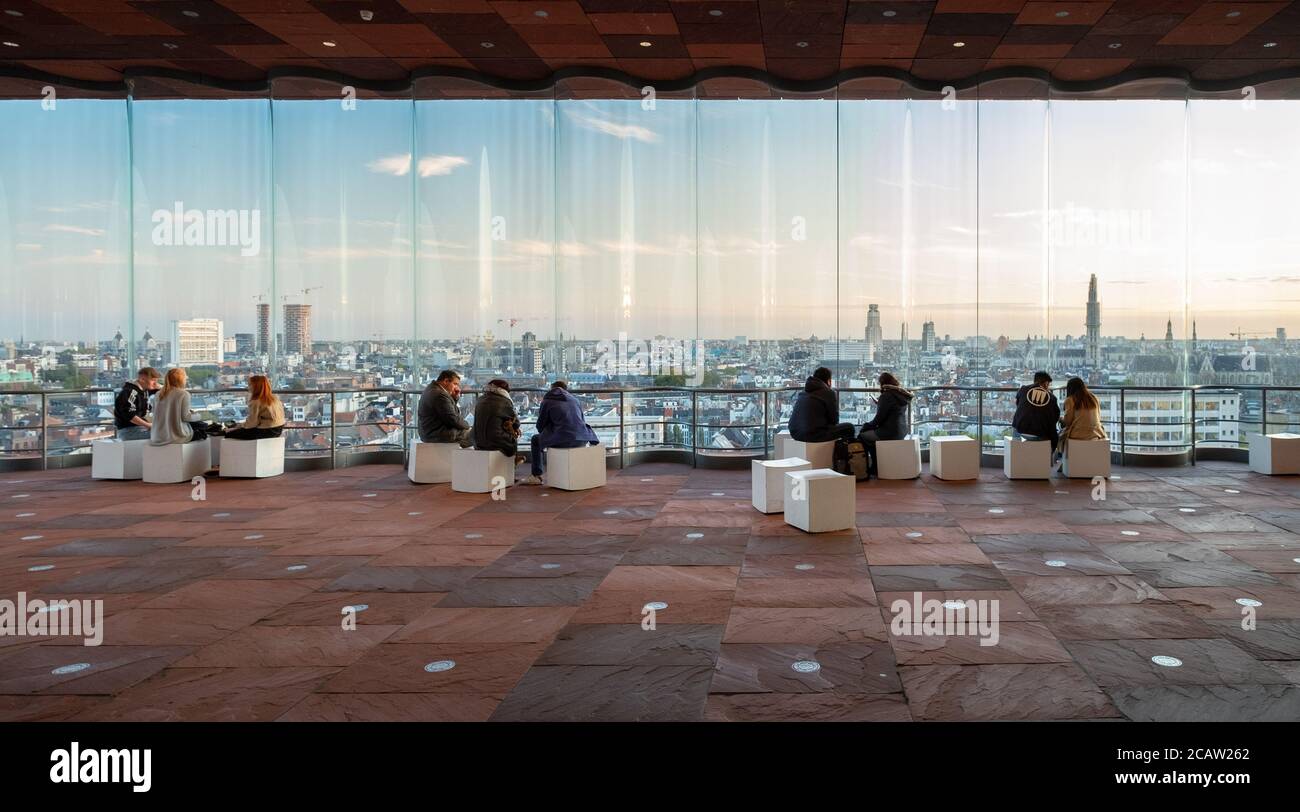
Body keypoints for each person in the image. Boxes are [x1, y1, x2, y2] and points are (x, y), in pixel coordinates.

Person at [520, 381, 599, 486]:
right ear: (566, 390)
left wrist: (548, 430)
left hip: (563, 439)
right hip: (583, 439)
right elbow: (582, 421)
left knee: (535, 440)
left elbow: (540, 425)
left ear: (551, 389)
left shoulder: (547, 401)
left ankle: (536, 475)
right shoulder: (575, 400)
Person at [858, 372, 914, 476]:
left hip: (889, 432)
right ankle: (877, 465)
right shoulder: (900, 395)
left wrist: (866, 426)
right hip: (901, 431)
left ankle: (873, 467)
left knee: (862, 436)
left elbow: (878, 419)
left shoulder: (886, 396)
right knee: (870, 437)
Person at [788, 367, 855, 443]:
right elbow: (834, 420)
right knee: (849, 428)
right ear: (828, 381)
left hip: (795, 432)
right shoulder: (828, 393)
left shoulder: (804, 392)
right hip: (813, 434)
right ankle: (845, 454)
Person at [149, 368, 214, 445]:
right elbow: (186, 417)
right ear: (181, 379)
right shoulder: (183, 394)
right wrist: (199, 415)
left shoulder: (158, 394)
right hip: (176, 437)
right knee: (203, 427)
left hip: (158, 436)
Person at [472, 378, 522, 464]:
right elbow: (516, 422)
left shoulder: (480, 400)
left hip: (477, 441)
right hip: (494, 441)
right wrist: (516, 428)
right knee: (512, 437)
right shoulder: (504, 401)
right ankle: (513, 460)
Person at [418, 369, 472, 446]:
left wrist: (454, 398)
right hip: (438, 435)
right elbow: (453, 419)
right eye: (455, 384)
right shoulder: (440, 395)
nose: (456, 387)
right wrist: (468, 426)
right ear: (446, 381)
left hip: (429, 432)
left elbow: (450, 412)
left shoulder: (432, 389)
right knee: (476, 435)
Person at [224, 374, 286, 441]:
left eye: (250, 385)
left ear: (256, 386)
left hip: (267, 430)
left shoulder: (256, 401)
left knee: (229, 434)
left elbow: (252, 423)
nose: (248, 387)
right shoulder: (274, 398)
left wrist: (238, 427)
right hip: (279, 428)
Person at [1059, 376, 1107, 461]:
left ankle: (1065, 463)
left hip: (1077, 434)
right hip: (1096, 433)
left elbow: (1068, 421)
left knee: (1059, 436)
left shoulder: (1070, 400)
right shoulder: (1093, 398)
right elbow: (1098, 417)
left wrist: (1060, 419)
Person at [1012, 371, 1061, 452]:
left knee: (1016, 424)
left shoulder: (1023, 389)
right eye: (1048, 385)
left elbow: (1018, 405)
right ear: (1046, 383)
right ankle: (1047, 459)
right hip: (1040, 435)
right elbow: (1055, 417)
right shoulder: (1051, 398)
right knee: (1054, 436)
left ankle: (1018, 454)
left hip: (1020, 431)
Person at [113, 367, 160, 440]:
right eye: (153, 380)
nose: (155, 383)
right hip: (128, 431)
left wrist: (160, 387)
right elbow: (130, 415)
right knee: (164, 435)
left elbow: (163, 390)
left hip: (139, 428)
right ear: (142, 379)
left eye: (156, 380)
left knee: (166, 433)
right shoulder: (130, 392)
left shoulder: (143, 391)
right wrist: (148, 425)